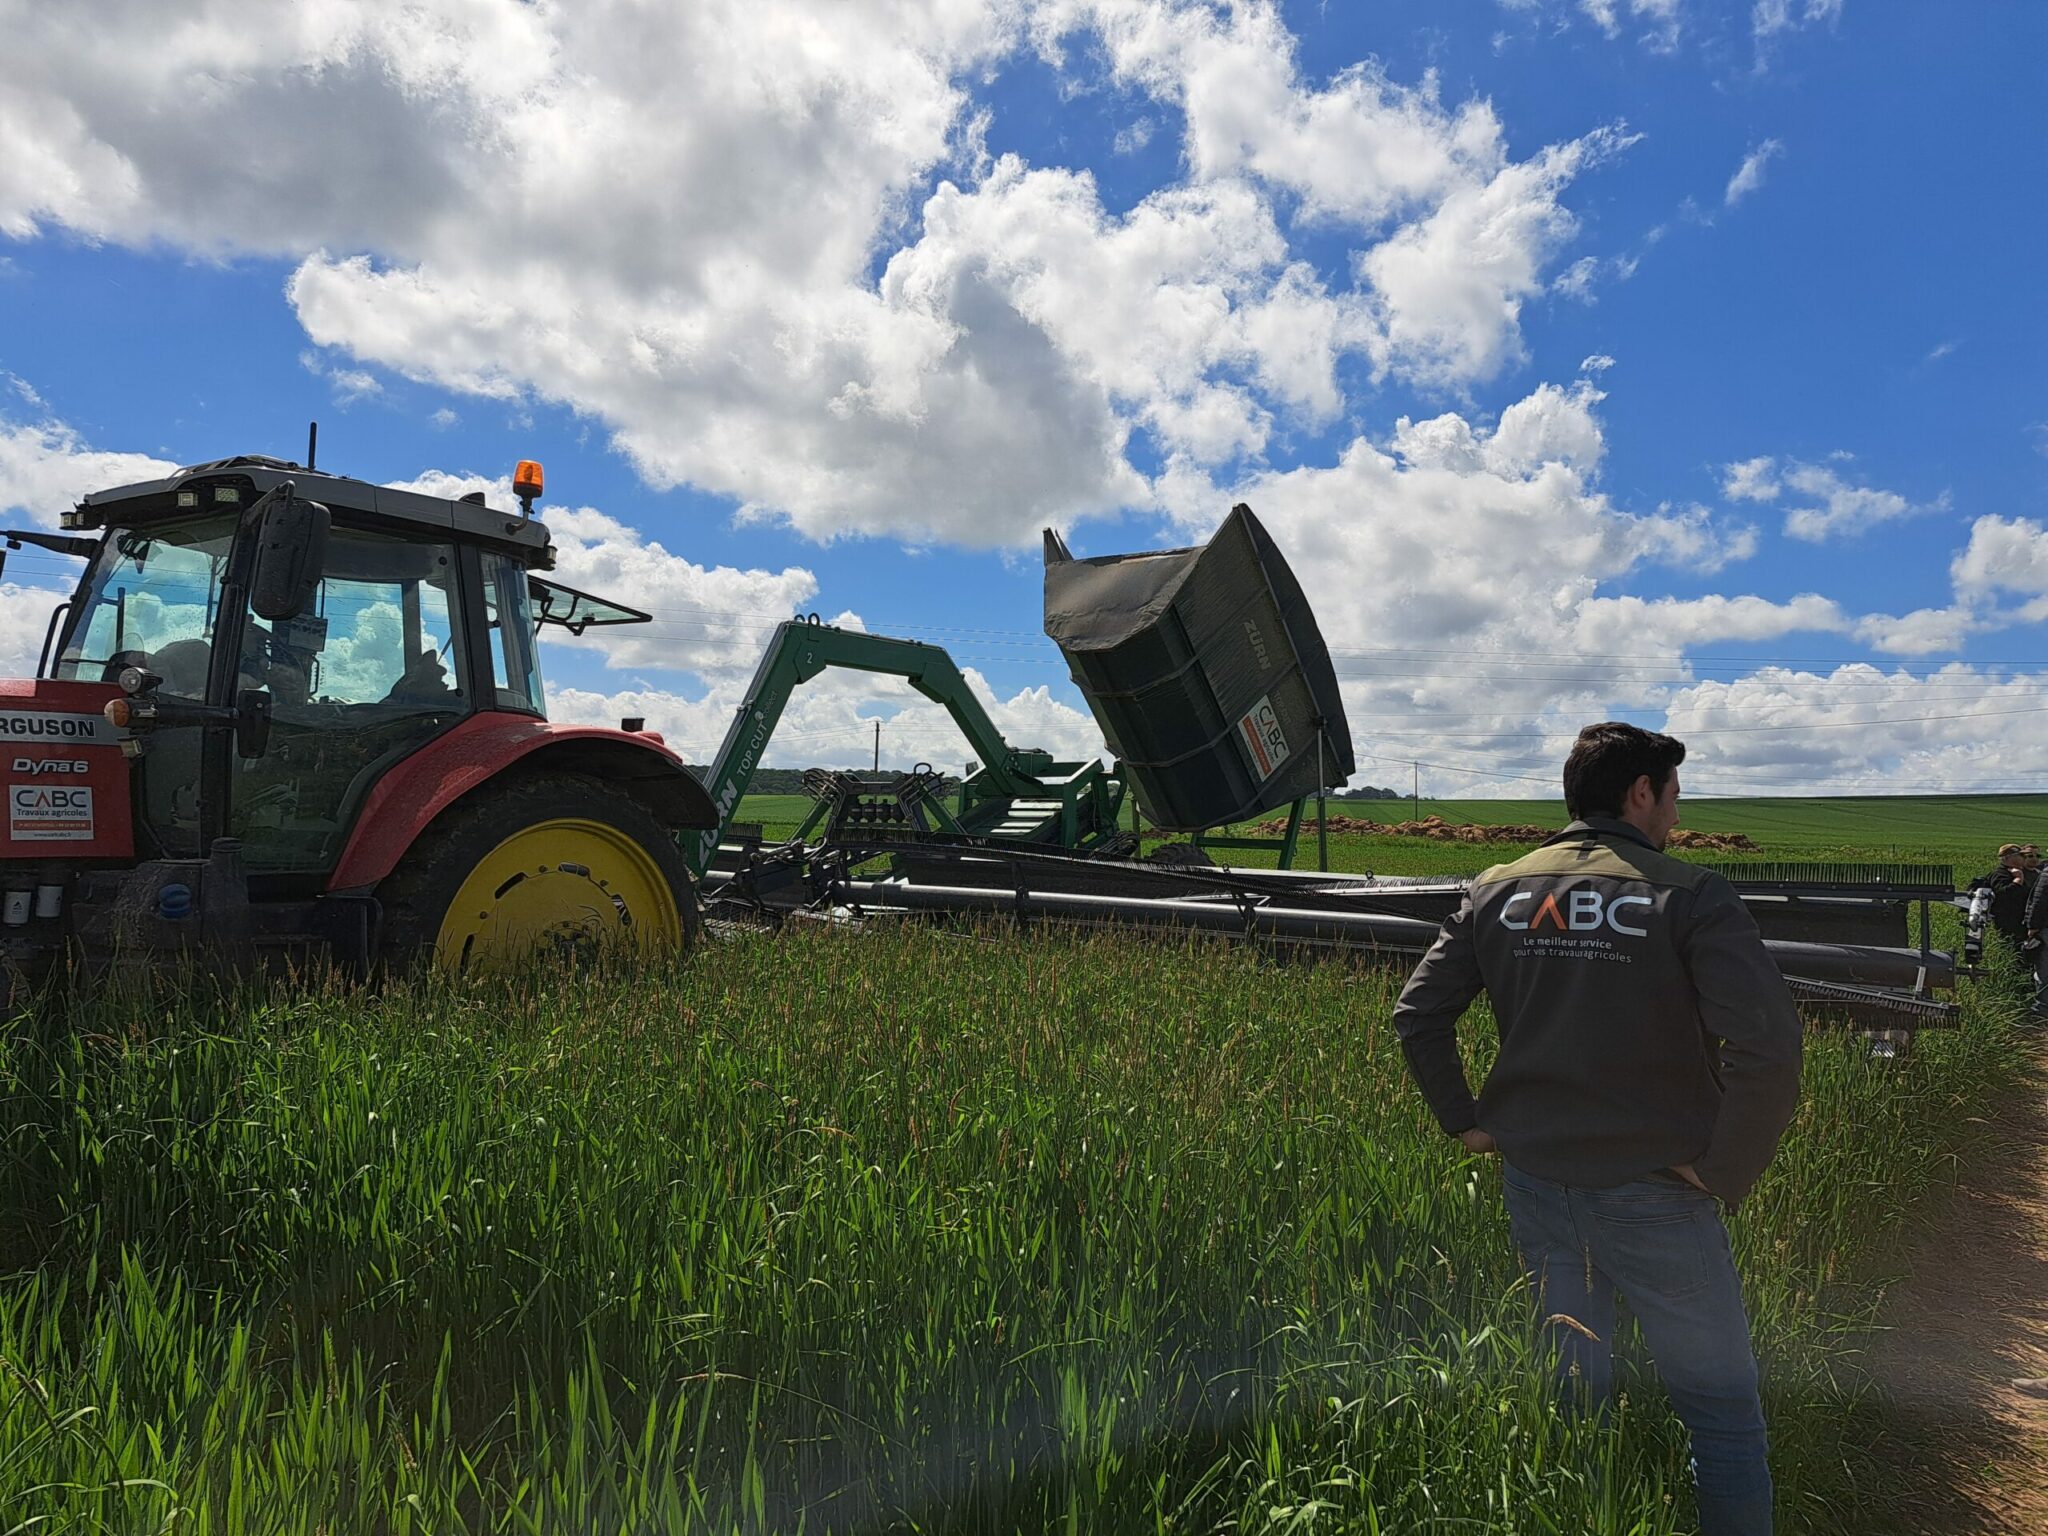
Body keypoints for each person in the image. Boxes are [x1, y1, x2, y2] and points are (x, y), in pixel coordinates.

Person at [1392, 722, 1802, 1536]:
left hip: (1537, 1185)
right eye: (1674, 796)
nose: (1677, 818)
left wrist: (1466, 1123)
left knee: (1573, 1400)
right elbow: (1769, 1042)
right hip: (1656, 1193)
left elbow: (1418, 1016)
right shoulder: (1687, 892)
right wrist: (1725, 1168)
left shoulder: (1498, 887)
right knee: (1722, 1421)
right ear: (1640, 793)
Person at [1970, 844, 2037, 955]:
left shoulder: (2015, 871)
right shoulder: (2000, 874)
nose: (2024, 858)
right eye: (2020, 855)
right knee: (2010, 950)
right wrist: (2018, 879)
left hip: (2018, 922)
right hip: (2007, 923)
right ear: (2008, 858)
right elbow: (2004, 895)